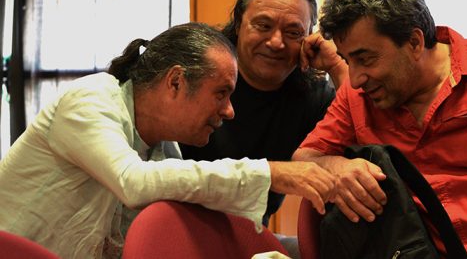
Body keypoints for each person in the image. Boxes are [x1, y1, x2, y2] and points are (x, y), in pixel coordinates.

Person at [0, 23, 337, 259]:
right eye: (221, 94)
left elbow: (209, 225)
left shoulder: (163, 149)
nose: (230, 111)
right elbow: (134, 183)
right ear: (175, 82)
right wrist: (271, 173)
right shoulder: (90, 100)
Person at [292, 0, 467, 257]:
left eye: (365, 59)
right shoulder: (356, 97)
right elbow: (305, 159)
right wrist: (338, 168)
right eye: (347, 61)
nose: (354, 78)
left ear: (415, 43)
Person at [179, 0, 347, 226]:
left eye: (293, 32)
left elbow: (368, 143)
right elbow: (155, 172)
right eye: (263, 26)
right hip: (177, 227)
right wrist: (273, 173)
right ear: (238, 23)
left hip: (251, 237)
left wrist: (337, 65)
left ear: (309, 37)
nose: (276, 42)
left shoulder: (312, 95)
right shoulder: (198, 70)